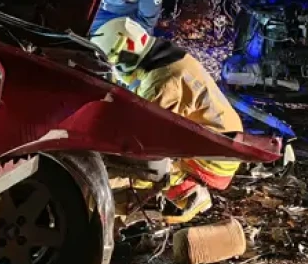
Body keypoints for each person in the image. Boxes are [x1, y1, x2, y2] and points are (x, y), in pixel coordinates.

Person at [92, 17, 243, 224]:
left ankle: (188, 194)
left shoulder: (161, 84)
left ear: (125, 56)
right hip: (224, 139)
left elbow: (145, 142)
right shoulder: (169, 58)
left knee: (140, 167)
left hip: (214, 158)